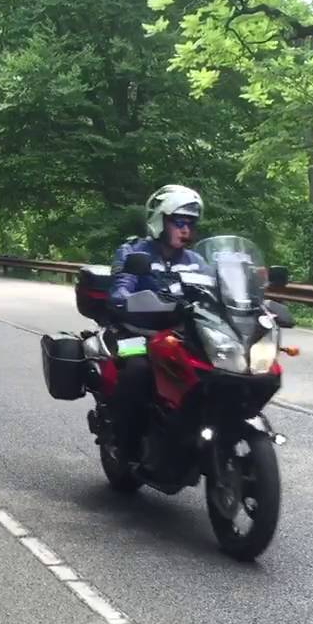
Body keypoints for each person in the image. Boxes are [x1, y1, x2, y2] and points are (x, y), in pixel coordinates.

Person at [106, 184, 208, 463]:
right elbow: (120, 289)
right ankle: (126, 446)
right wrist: (127, 299)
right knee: (137, 370)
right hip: (133, 335)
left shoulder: (196, 261)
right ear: (159, 221)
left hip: (179, 337)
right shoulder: (133, 252)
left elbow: (218, 291)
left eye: (191, 223)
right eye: (179, 222)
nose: (186, 229)